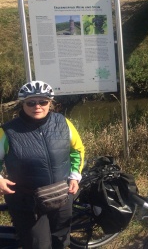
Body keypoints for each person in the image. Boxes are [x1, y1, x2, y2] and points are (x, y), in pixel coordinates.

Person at [0, 80, 85, 249]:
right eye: (31, 102)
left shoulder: (63, 123)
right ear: (23, 104)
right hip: (27, 200)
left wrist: (75, 176)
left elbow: (77, 149)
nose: (37, 106)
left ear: (50, 103)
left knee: (60, 240)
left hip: (60, 194)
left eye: (43, 102)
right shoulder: (8, 130)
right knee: (38, 245)